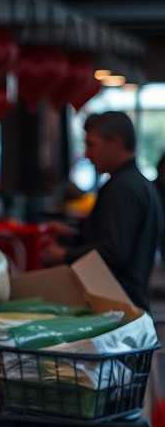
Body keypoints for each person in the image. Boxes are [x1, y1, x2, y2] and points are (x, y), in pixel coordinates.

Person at [46, 112, 164, 310]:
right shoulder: (137, 183)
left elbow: (114, 251)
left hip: (119, 308)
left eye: (91, 144)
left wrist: (63, 255)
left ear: (116, 142)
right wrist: (73, 235)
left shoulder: (123, 188)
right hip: (131, 302)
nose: (86, 154)